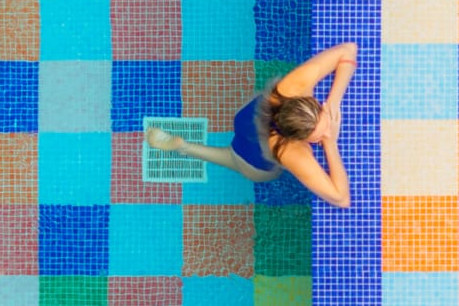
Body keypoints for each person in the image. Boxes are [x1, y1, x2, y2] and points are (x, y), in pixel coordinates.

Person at [146, 42, 356, 208]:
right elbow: (341, 198)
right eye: (318, 135)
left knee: (259, 107)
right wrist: (330, 143)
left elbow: (348, 49)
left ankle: (183, 145)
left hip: (246, 115)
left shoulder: (294, 86)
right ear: (295, 138)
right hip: (251, 160)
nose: (329, 129)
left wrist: (334, 100)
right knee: (232, 158)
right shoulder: (292, 152)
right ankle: (186, 148)